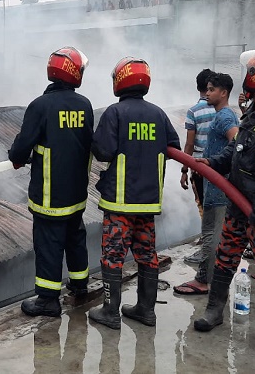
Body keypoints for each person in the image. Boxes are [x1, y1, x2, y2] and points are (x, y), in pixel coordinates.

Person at [193, 49, 255, 355]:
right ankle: (214, 311)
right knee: (226, 257)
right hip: (241, 207)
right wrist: (212, 164)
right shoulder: (254, 114)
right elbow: (237, 152)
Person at [88, 57, 180, 329]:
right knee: (146, 254)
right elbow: (173, 147)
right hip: (148, 203)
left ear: (119, 81)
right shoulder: (158, 113)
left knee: (113, 257)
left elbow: (103, 151)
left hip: (120, 204)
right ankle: (145, 311)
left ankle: (110, 312)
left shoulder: (115, 114)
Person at [8, 47, 94, 317]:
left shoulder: (40, 106)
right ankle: (80, 285)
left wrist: (16, 157)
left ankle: (47, 300)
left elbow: (22, 146)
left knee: (48, 245)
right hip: (77, 192)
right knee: (75, 238)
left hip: (49, 194)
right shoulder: (84, 105)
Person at [173, 73, 238, 295]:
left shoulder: (224, 117)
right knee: (215, 231)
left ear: (224, 92)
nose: (207, 93)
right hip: (217, 183)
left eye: (212, 90)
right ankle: (212, 277)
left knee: (211, 232)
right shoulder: (224, 114)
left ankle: (204, 280)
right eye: (207, 89)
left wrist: (215, 162)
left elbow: (237, 142)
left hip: (218, 185)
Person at [181, 69, 216, 262]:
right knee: (217, 207)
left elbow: (189, 144)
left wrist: (185, 170)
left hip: (200, 168)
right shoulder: (221, 109)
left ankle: (206, 249)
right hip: (219, 167)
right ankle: (215, 243)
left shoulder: (194, 111)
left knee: (203, 206)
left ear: (197, 87)